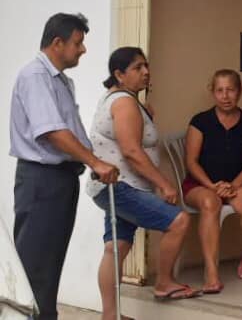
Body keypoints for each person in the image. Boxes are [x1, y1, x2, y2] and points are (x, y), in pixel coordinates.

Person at [10, 13, 120, 320]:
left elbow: (69, 131)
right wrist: (94, 161)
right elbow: (52, 132)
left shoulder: (59, 80)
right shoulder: (35, 76)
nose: (83, 49)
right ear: (57, 43)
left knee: (50, 261)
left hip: (60, 179)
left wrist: (90, 159)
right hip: (42, 180)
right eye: (78, 43)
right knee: (35, 263)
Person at [87, 47, 201, 319]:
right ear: (119, 74)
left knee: (115, 248)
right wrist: (164, 184)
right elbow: (131, 151)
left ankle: (110, 316)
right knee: (179, 221)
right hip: (122, 187)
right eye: (138, 67)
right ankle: (164, 283)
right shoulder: (124, 102)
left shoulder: (118, 99)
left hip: (111, 187)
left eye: (146, 66)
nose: (146, 72)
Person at [182, 69, 242, 293]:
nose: (225, 96)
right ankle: (211, 274)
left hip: (238, 183)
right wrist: (212, 186)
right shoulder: (200, 121)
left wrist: (234, 186)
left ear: (240, 91)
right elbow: (191, 161)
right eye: (220, 90)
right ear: (212, 92)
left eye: (231, 90)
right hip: (201, 184)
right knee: (211, 203)